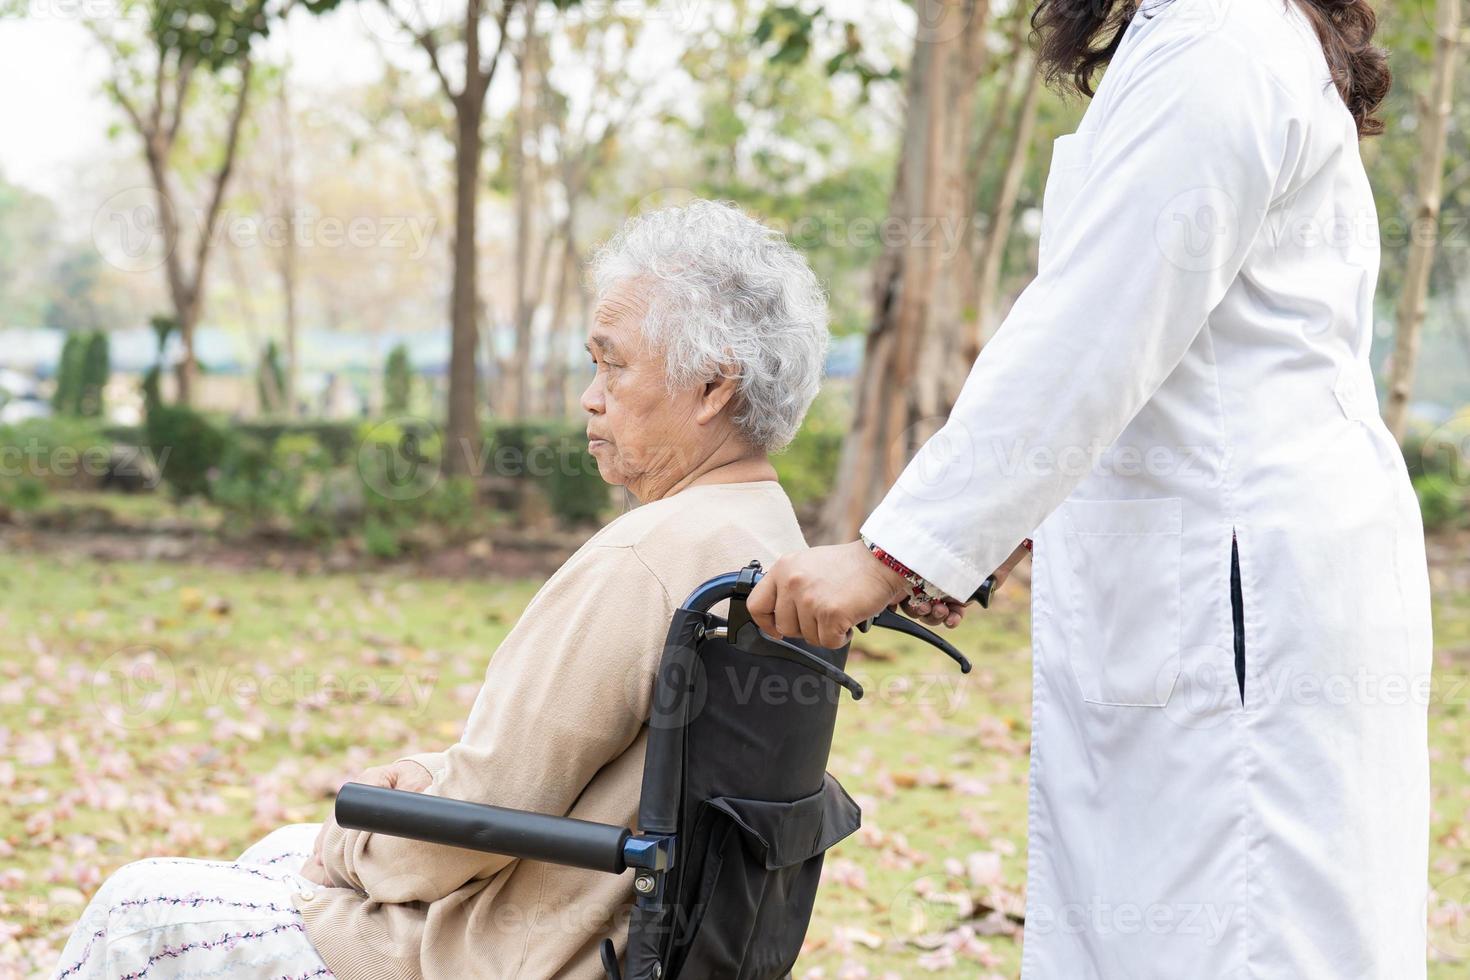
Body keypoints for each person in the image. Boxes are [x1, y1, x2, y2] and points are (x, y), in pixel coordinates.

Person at [748, 0, 1433, 976]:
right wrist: (999, 531)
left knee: (1238, 933)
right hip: (1225, 562)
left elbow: (1091, 330)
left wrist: (891, 552)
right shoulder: (1209, 34)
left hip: (1243, 584)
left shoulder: (1217, 40)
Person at [52, 200, 829, 980]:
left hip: (511, 954)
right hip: (623, 939)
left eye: (613, 363)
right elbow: (546, 778)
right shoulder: (773, 540)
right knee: (273, 852)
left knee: (135, 908)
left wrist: (349, 842)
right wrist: (424, 782)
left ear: (712, 386)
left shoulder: (650, 554)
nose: (590, 396)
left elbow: (465, 833)